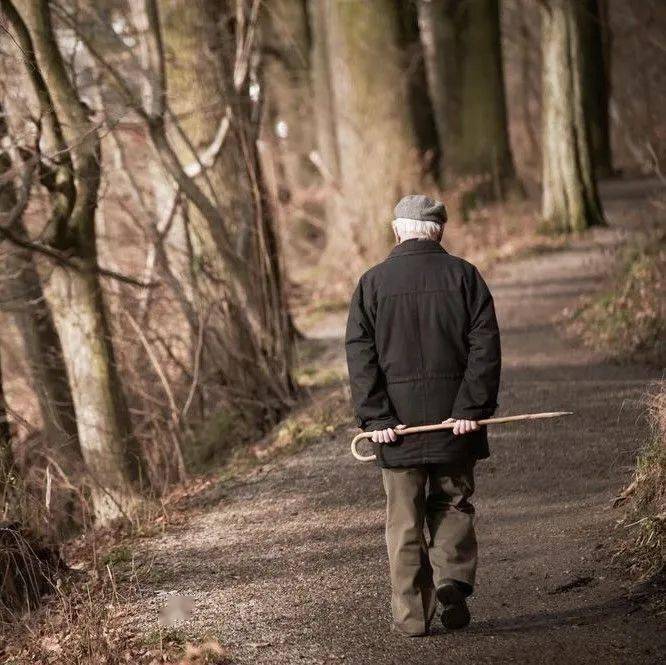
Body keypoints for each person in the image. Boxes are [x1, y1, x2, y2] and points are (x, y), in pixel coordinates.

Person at [345, 194, 501, 637]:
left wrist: (376, 418)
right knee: (452, 502)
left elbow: (360, 357)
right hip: (455, 425)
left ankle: (413, 618)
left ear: (397, 231)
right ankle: (451, 580)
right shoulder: (465, 277)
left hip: (396, 430)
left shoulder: (371, 284)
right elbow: (485, 348)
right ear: (440, 232)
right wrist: (471, 409)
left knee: (404, 521)